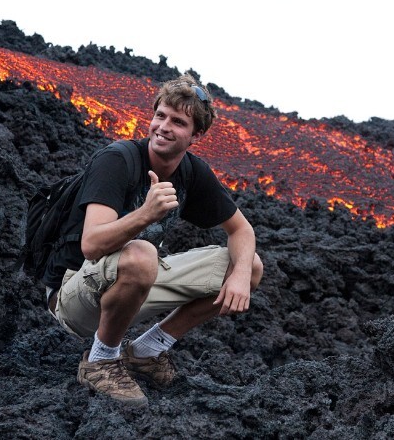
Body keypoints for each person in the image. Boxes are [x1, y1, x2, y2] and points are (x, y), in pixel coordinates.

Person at [40, 73, 264, 406]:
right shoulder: (117, 161)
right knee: (143, 254)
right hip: (73, 295)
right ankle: (100, 360)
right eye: (160, 115)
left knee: (250, 264)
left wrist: (242, 276)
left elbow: (242, 230)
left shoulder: (192, 172)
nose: (163, 126)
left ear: (196, 135)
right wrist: (146, 214)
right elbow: (91, 244)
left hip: (129, 284)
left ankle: (146, 351)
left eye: (178, 121)